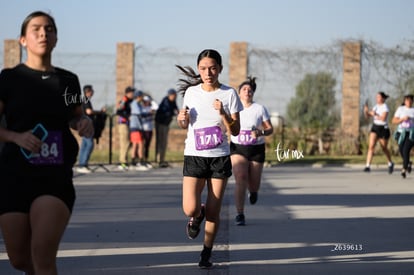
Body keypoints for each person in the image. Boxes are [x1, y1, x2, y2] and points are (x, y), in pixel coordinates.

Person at [0, 11, 94, 275]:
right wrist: (15, 137)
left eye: (49, 29)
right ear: (22, 40)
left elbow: (76, 117)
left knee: (42, 254)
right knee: (19, 259)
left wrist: (83, 123)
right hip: (14, 176)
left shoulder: (67, 81)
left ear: (56, 38)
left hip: (54, 175)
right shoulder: (9, 79)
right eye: (36, 29)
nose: (44, 33)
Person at [176, 49, 243, 269]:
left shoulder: (229, 94)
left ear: (220, 69)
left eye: (213, 68)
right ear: (198, 70)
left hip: (219, 157)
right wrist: (181, 119)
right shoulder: (192, 93)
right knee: (189, 208)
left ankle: (206, 252)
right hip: (195, 155)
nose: (208, 72)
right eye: (204, 68)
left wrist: (223, 113)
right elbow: (185, 124)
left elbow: (235, 130)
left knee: (214, 212)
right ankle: (197, 215)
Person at [230, 76, 273, 226]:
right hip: (238, 148)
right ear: (239, 93)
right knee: (241, 177)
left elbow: (270, 129)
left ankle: (253, 191)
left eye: (250, 89)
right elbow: (225, 125)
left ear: (252, 93)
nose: (247, 91)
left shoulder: (259, 109)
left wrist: (261, 133)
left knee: (254, 184)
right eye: (244, 89)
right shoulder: (234, 108)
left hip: (256, 148)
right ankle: (240, 213)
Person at [76, 84, 106, 173]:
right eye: (92, 91)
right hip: (86, 125)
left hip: (84, 125)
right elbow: (88, 111)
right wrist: (100, 112)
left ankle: (81, 164)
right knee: (89, 144)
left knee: (84, 144)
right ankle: (83, 164)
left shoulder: (85, 100)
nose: (93, 92)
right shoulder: (85, 100)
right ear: (88, 92)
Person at [363, 91, 394, 173]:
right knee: (371, 146)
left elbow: (383, 118)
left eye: (379, 97)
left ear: (383, 98)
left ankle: (390, 163)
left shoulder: (385, 107)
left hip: (383, 128)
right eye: (376, 97)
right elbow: (368, 116)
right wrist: (366, 111)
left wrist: (375, 114)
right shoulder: (375, 106)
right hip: (375, 127)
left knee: (384, 148)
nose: (377, 99)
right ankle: (367, 166)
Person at [155, 88, 178, 167]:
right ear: (170, 95)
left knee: (164, 142)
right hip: (161, 124)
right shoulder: (166, 101)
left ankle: (162, 159)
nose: (175, 97)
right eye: (174, 96)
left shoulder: (173, 102)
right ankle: (159, 160)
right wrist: (173, 113)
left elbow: (176, 110)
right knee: (161, 142)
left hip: (166, 124)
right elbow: (168, 112)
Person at [392, 94, 414, 178]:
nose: (408, 102)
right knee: (401, 150)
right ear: (404, 101)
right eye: (406, 100)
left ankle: (404, 169)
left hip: (411, 133)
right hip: (401, 133)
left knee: (406, 150)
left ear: (412, 101)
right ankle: (408, 163)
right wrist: (402, 119)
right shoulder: (400, 109)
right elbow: (394, 120)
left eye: (410, 100)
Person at [116, 86, 135, 171]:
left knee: (129, 143)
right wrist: (127, 117)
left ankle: (126, 160)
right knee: (124, 143)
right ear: (127, 93)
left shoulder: (131, 101)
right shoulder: (124, 100)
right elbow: (119, 111)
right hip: (123, 124)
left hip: (129, 124)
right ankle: (122, 162)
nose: (133, 94)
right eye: (131, 92)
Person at [129, 90, 149, 170]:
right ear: (139, 96)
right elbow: (139, 113)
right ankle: (140, 161)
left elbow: (142, 111)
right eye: (141, 96)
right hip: (135, 126)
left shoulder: (138, 104)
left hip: (138, 126)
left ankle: (134, 161)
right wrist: (147, 113)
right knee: (139, 144)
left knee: (136, 144)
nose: (142, 98)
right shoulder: (134, 104)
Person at [141, 95, 156, 167]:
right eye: (144, 101)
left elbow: (156, 107)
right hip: (143, 129)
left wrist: (151, 100)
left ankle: (146, 159)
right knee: (142, 145)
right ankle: (141, 159)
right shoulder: (141, 108)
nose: (145, 102)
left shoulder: (151, 107)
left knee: (147, 145)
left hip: (149, 129)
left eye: (147, 101)